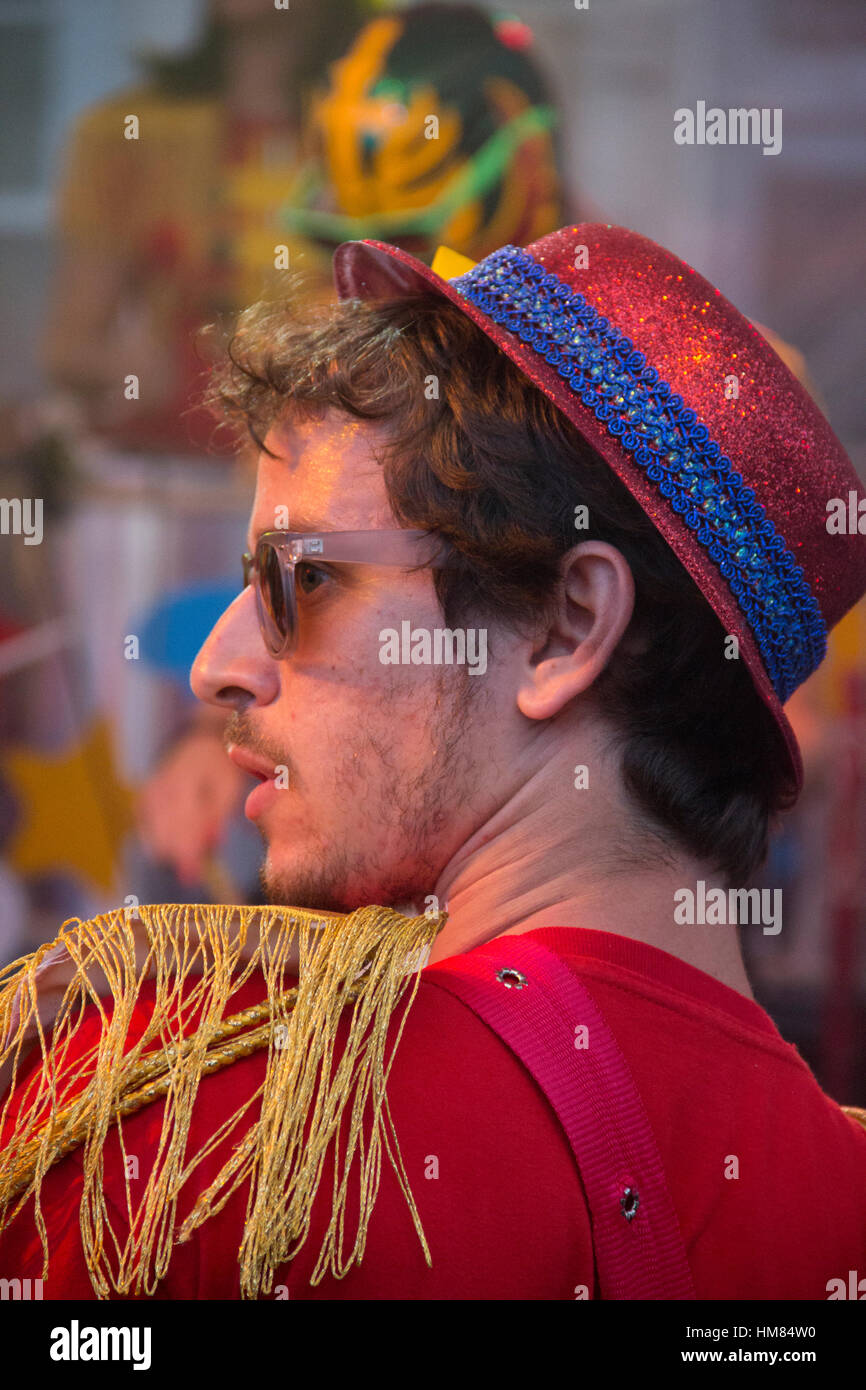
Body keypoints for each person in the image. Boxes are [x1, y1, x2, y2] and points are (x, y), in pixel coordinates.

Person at [2, 222, 866, 1299]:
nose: (216, 668)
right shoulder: (842, 1199)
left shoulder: (186, 1123)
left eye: (299, 581)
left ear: (564, 628)